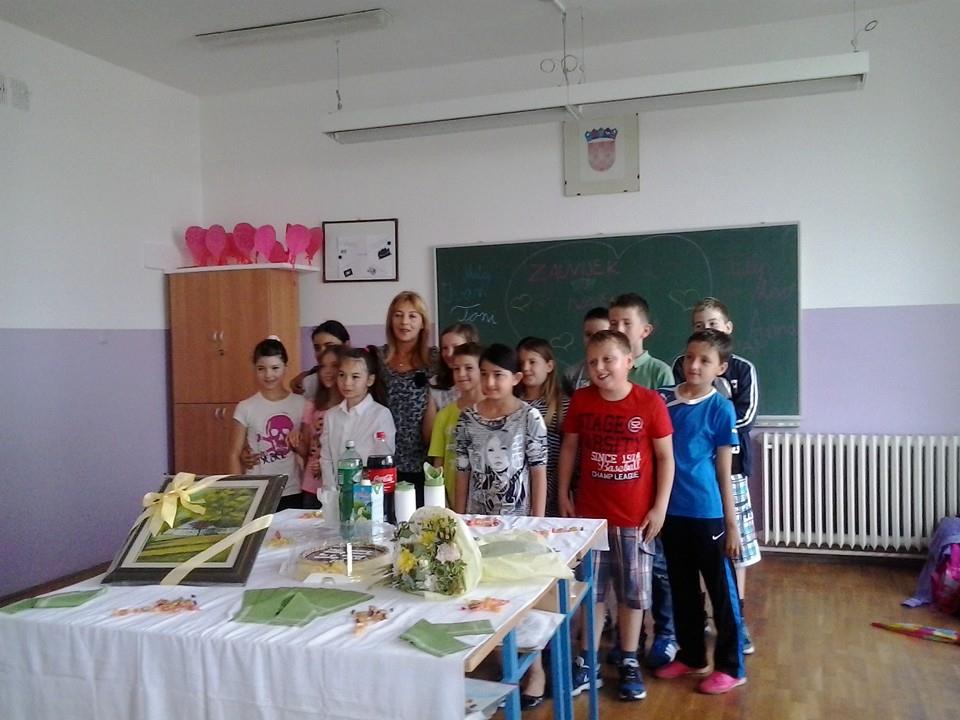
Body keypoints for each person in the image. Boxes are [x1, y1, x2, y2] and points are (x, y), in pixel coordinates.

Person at [558, 329, 675, 702]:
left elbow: (665, 458)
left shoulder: (650, 402)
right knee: (591, 593)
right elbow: (570, 448)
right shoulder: (581, 400)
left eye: (608, 359)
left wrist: (660, 507)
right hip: (591, 520)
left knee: (632, 595)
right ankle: (587, 661)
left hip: (635, 519)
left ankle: (628, 659)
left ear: (629, 361)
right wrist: (562, 492)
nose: (600, 368)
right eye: (593, 361)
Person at [655, 329, 746, 694]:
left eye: (705, 360)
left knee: (721, 592)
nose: (694, 365)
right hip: (671, 513)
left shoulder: (720, 409)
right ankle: (692, 656)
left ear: (720, 368)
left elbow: (724, 472)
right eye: (690, 357)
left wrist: (732, 525)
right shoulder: (663, 400)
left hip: (707, 514)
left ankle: (731, 666)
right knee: (682, 590)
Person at [671, 297, 760, 653]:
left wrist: (731, 523)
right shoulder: (670, 395)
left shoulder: (729, 392)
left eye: (713, 323)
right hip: (678, 502)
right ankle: (693, 648)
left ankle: (733, 645)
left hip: (717, 492)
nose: (694, 365)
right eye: (698, 326)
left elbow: (742, 420)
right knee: (684, 580)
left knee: (727, 571)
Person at [608, 292, 676, 668]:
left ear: (645, 330)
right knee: (623, 575)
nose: (618, 328)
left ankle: (666, 632)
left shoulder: (659, 373)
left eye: (626, 323)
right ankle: (631, 641)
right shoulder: (600, 369)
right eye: (612, 323)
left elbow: (664, 440)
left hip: (648, 493)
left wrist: (658, 501)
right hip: (614, 493)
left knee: (658, 569)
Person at [454, 343, 547, 517]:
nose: (490, 382)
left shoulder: (529, 417)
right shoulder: (467, 418)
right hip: (477, 519)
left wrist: (537, 521)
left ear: (516, 378)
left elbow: (538, 473)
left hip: (518, 520)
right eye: (484, 374)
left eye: (498, 375)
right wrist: (459, 518)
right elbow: (462, 472)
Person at [228, 337, 306, 510]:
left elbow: (307, 450)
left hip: (291, 490)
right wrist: (236, 493)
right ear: (254, 369)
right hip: (256, 489)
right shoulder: (245, 407)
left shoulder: (301, 404)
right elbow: (234, 453)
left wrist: (298, 444)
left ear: (286, 367)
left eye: (275, 368)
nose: (269, 375)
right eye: (261, 369)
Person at [378, 291, 439, 506]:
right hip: (384, 461)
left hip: (424, 461)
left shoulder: (435, 359)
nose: (405, 322)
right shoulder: (378, 357)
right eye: (398, 315)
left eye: (412, 316)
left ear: (422, 323)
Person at [320, 346, 396, 491]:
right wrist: (331, 491)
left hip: (368, 492)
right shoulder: (331, 415)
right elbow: (326, 459)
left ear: (370, 380)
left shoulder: (380, 414)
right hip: (337, 493)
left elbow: (384, 459)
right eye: (342, 375)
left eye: (355, 377)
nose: (347, 382)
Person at [516, 336, 569, 517]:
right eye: (521, 363)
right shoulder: (513, 404)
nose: (525, 368)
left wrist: (556, 489)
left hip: (550, 489)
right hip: (517, 491)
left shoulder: (562, 404)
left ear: (549, 366)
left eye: (532, 362)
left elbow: (569, 452)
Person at [427, 342, 484, 505]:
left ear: (482, 371)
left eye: (469, 368)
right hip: (452, 501)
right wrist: (441, 499)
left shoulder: (493, 413)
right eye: (456, 369)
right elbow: (438, 463)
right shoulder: (444, 415)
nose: (461, 374)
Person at [290, 345, 341, 509]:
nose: (327, 371)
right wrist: (295, 441)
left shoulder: (347, 409)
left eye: (334, 365)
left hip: (338, 485)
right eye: (323, 366)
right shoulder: (312, 406)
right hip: (312, 486)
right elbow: (305, 450)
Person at [422, 322, 479, 443]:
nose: (449, 353)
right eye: (445, 348)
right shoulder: (435, 384)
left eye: (456, 347)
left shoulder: (486, 383)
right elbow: (430, 435)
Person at [291, 320, 350, 396]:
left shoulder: (360, 378)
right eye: (317, 348)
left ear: (347, 345)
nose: (322, 352)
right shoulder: (310, 382)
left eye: (330, 346)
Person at [562, 307, 610, 395]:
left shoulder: (620, 372)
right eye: (588, 334)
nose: (593, 339)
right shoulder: (571, 374)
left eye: (600, 334)